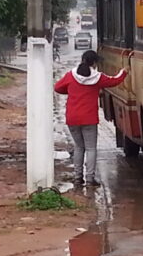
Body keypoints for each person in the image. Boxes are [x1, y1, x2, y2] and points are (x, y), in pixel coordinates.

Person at [53, 50, 128, 187]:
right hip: (89, 119)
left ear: (82, 60)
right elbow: (114, 81)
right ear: (94, 63)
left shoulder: (71, 75)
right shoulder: (97, 78)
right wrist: (124, 72)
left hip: (73, 118)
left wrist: (70, 91)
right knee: (91, 148)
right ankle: (90, 179)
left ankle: (77, 177)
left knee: (79, 147)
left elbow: (57, 87)